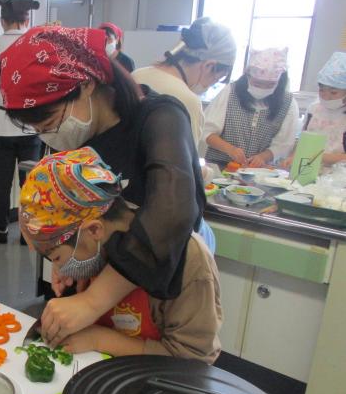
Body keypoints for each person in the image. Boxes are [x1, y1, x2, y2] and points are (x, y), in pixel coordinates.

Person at [0, 26, 205, 344]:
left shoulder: (159, 117)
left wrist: (93, 301)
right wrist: (71, 258)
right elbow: (71, 213)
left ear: (86, 84)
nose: (48, 136)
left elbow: (172, 214)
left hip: (163, 283)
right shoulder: (80, 132)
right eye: (38, 128)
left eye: (50, 121)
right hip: (112, 295)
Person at [20, 148, 222, 364]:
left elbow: (194, 361)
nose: (59, 270)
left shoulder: (189, 262)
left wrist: (100, 339)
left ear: (94, 231)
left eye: (57, 258)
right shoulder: (96, 245)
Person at [0, 0, 43, 244]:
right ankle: (27, 233)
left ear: (2, 21)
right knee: (31, 184)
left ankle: (2, 229)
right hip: (31, 127)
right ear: (27, 20)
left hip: (0, 128)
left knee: (2, 184)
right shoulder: (37, 46)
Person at [132, 17, 235, 145]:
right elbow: (184, 162)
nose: (210, 85)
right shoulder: (188, 101)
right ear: (209, 66)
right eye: (216, 79)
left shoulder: (137, 74)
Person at [203, 47, 299, 169]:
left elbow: (284, 144)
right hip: (221, 165)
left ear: (280, 82)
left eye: (270, 85)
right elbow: (207, 131)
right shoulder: (231, 92)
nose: (262, 88)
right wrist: (231, 149)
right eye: (257, 83)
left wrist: (262, 157)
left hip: (260, 172)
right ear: (248, 76)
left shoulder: (288, 103)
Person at [282, 51, 346, 169]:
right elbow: (303, 139)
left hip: (338, 177)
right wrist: (294, 157)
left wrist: (320, 157)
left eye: (333, 92)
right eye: (322, 90)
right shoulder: (314, 109)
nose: (326, 96)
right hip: (308, 170)